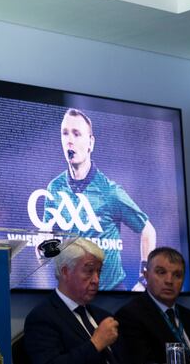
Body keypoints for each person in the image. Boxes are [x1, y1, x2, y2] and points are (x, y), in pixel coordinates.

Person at [41, 108, 157, 291]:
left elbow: (148, 231)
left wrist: (144, 280)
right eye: (65, 133)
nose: (70, 140)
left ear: (90, 143)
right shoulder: (55, 188)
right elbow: (44, 244)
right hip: (73, 294)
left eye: (77, 134)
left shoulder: (109, 191)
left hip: (111, 295)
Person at [24, 238, 126, 364]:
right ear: (65, 272)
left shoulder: (104, 317)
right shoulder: (42, 318)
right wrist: (96, 343)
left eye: (98, 272)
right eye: (89, 271)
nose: (96, 280)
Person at [115, 247, 190, 364]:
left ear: (183, 280)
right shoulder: (129, 317)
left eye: (177, 275)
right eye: (161, 272)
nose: (169, 281)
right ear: (146, 276)